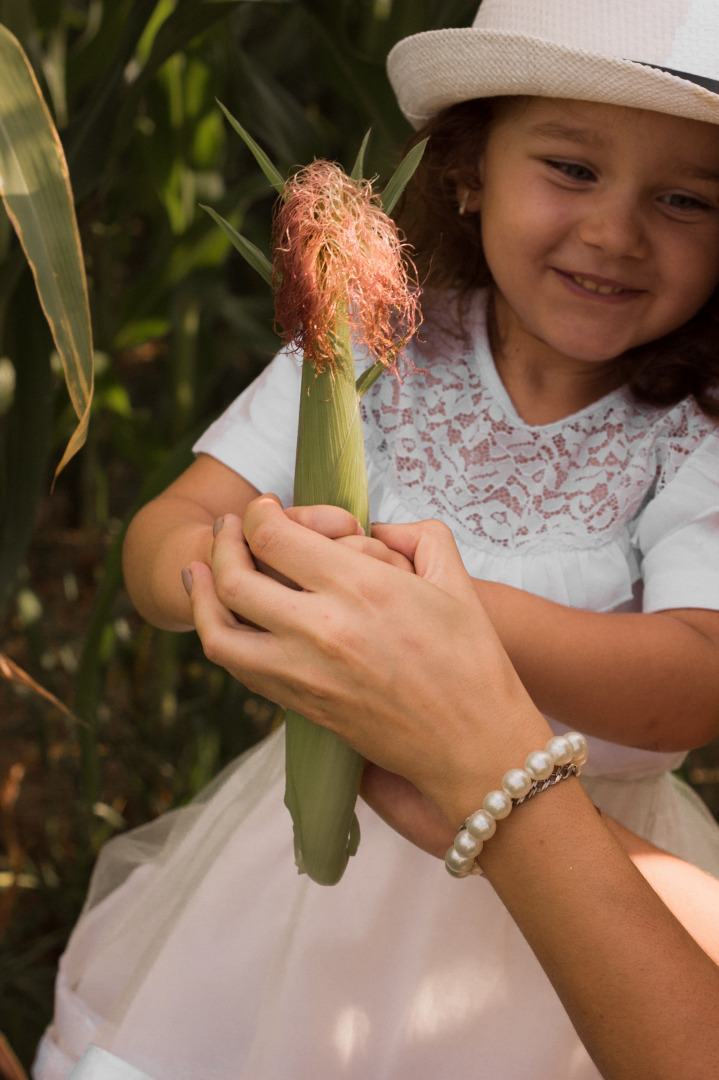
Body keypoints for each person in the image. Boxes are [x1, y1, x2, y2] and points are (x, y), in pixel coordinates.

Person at [33, 1, 719, 1077]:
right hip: (308, 852)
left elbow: (690, 680)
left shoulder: (696, 431)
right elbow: (163, 533)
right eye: (570, 170)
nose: (614, 231)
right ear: (468, 171)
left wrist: (433, 618)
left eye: (683, 199)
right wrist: (232, 581)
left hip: (573, 887)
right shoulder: (371, 344)